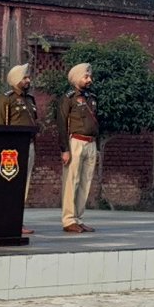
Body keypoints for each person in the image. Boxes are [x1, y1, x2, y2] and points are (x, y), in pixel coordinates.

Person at [0, 64, 38, 235]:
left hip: (28, 146)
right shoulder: (6, 99)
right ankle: (5, 219)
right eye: (24, 78)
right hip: (10, 151)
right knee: (8, 185)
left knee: (23, 186)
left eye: (28, 77)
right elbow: (0, 124)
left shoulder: (30, 100)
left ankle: (17, 220)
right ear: (16, 80)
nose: (28, 80)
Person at [57, 63, 98, 233]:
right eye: (86, 77)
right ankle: (68, 220)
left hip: (91, 143)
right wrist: (64, 149)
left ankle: (79, 218)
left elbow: (96, 122)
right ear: (76, 78)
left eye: (89, 76)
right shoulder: (68, 98)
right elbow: (61, 123)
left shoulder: (91, 97)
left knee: (85, 182)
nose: (89, 80)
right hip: (75, 142)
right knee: (71, 182)